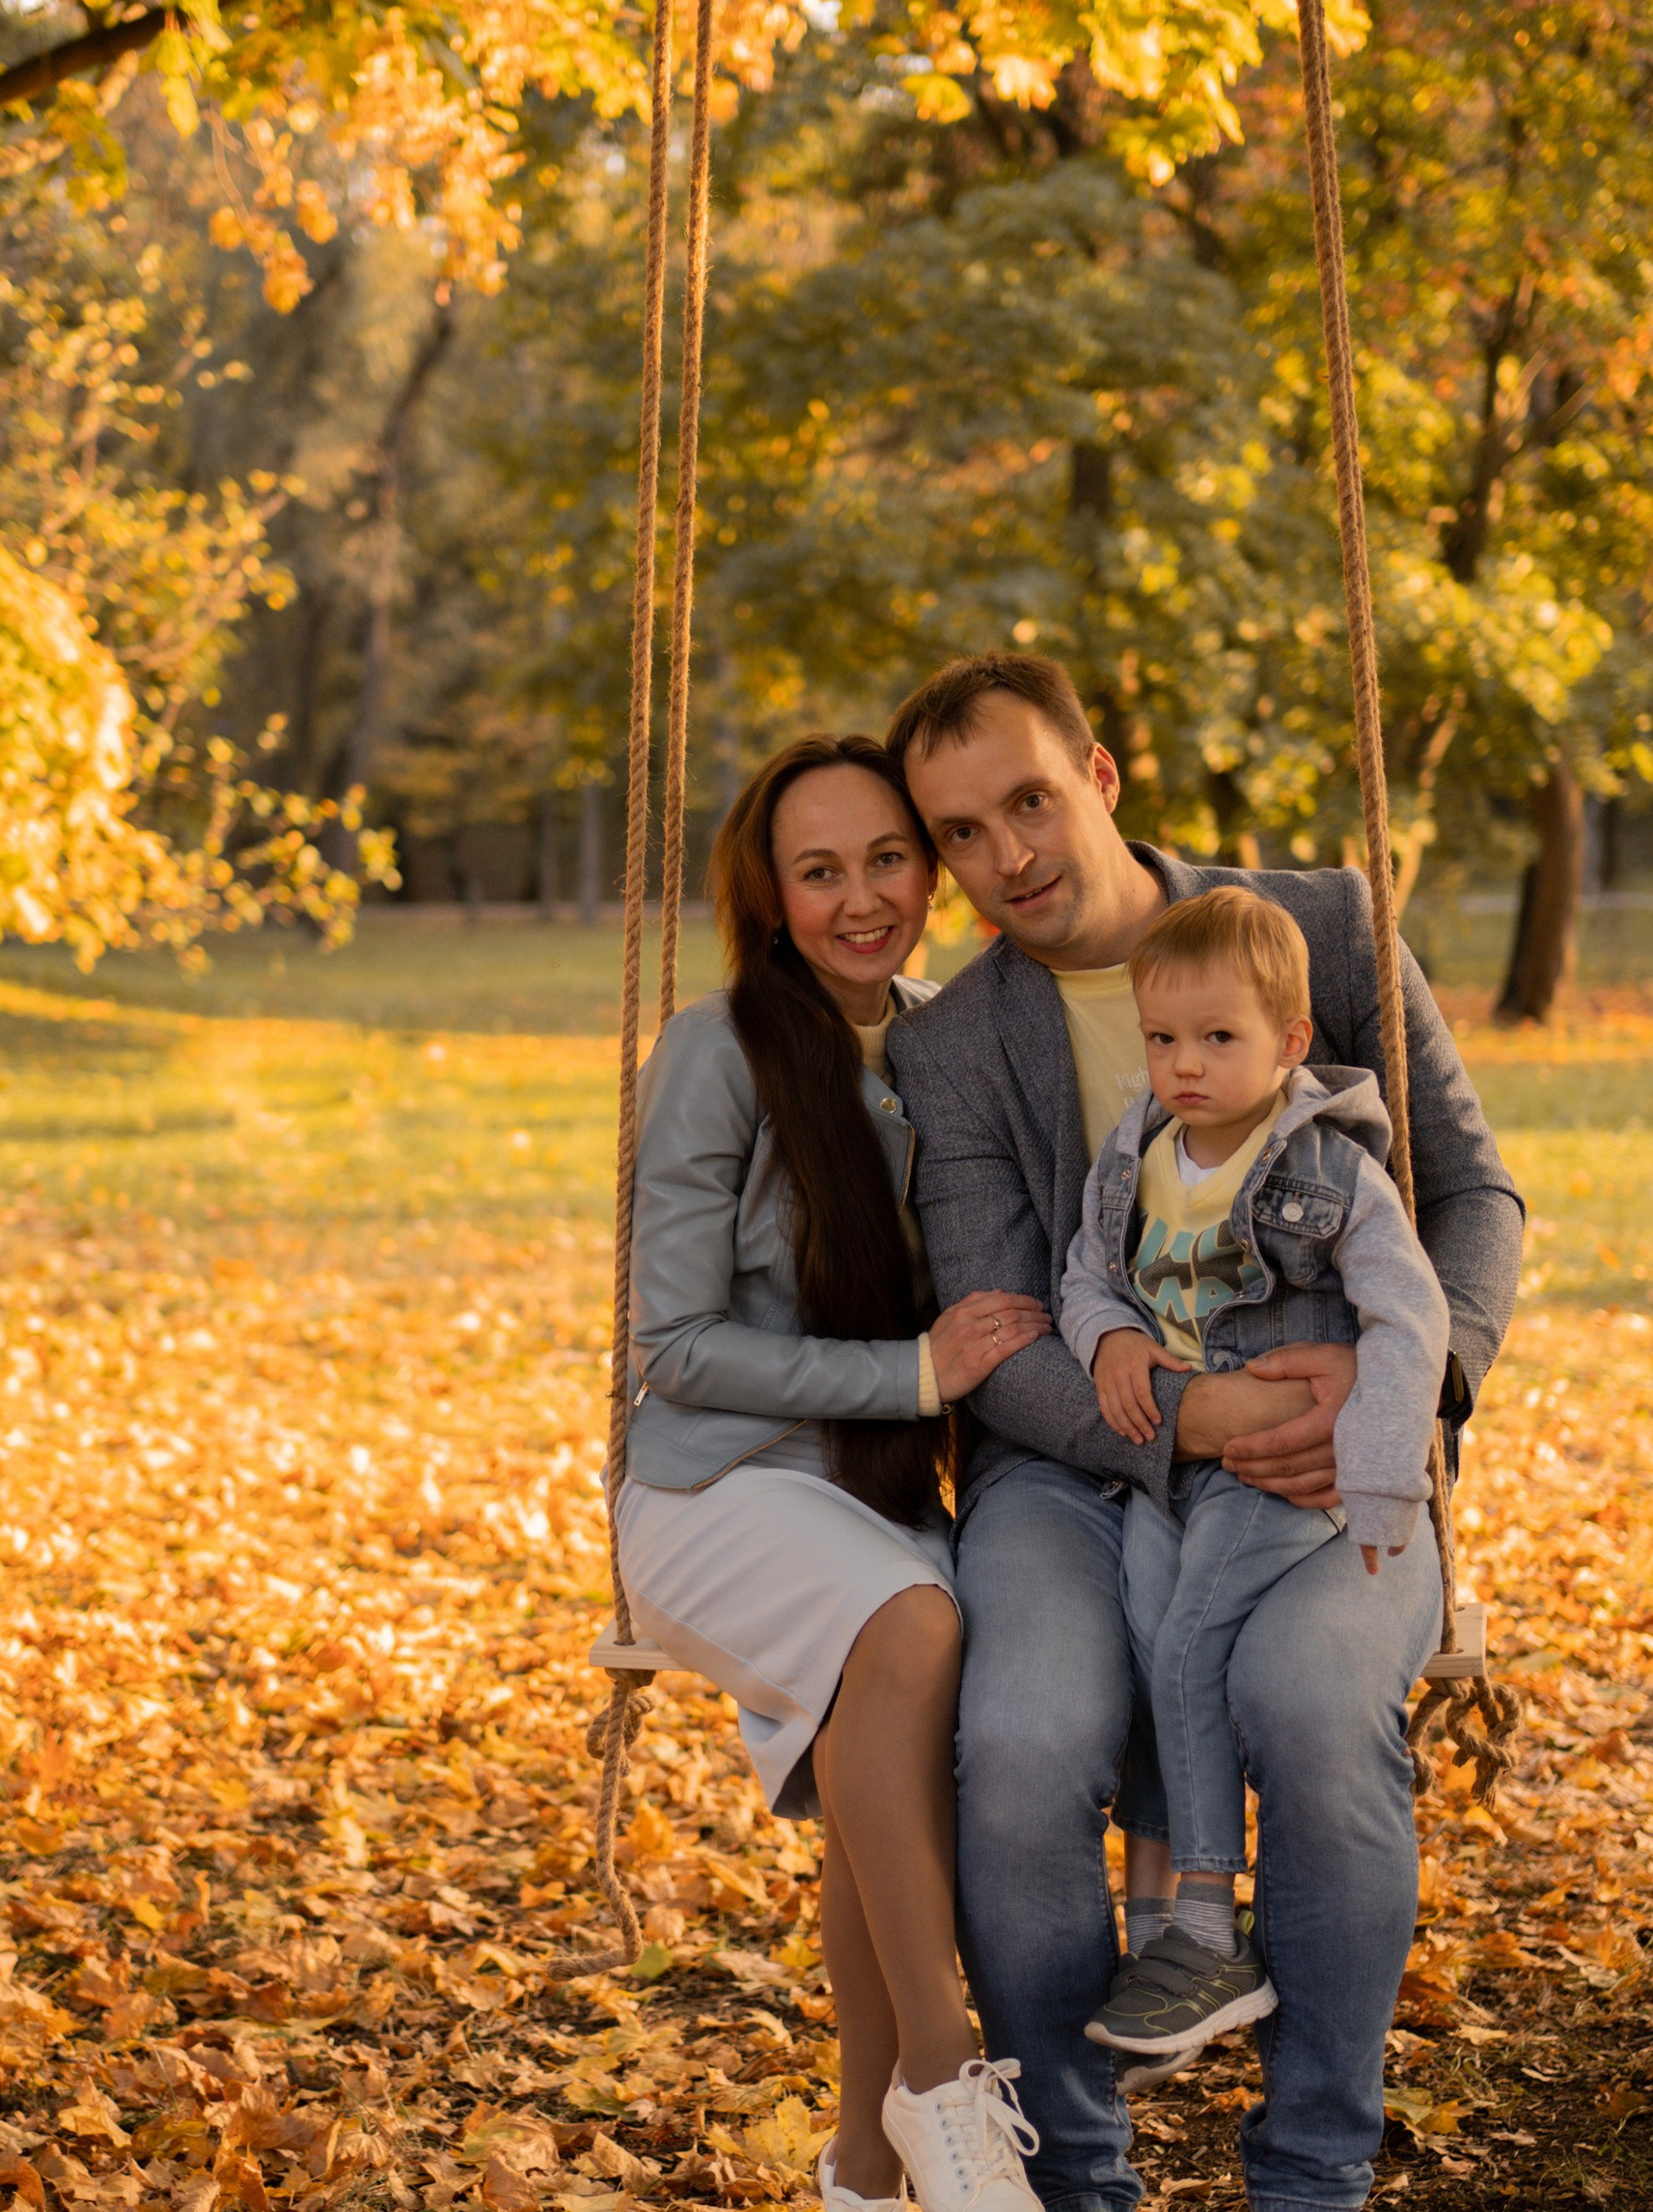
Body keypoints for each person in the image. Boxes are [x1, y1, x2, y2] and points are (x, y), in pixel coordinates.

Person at [885, 655, 1523, 2212]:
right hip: (1072, 1468)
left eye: (1030, 801)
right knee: (1024, 1746)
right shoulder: (957, 1045)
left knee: (1306, 1702)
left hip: (1333, 1449)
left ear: (1098, 777)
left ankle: (1311, 2174)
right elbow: (1005, 1332)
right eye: (961, 834)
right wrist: (1200, 1418)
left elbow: (1475, 1195)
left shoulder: (1317, 930)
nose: (1008, 855)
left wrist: (1412, 1399)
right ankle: (1077, 2182)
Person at [617, 733, 1051, 2212]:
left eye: (886, 858)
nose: (862, 898)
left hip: (866, 1502)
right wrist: (914, 1373)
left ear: (928, 867)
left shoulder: (945, 1039)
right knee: (914, 1628)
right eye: (821, 871)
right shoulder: (717, 1049)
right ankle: (943, 2071)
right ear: (772, 895)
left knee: (892, 1739)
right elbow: (673, 1345)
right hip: (712, 1494)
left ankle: (867, 2173)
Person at [1055, 888, 1448, 2058]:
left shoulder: (1330, 1171)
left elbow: (1409, 1314)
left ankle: (1204, 1928)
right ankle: (1172, 1918)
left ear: (1286, 1044)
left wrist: (1381, 1482)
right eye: (1163, 1039)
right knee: (1144, 1628)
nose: (1183, 1064)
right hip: (1174, 1469)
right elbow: (1085, 1275)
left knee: (1189, 1650)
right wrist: (1111, 1340)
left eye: (1217, 1039)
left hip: (1287, 1476)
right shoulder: (1137, 1157)